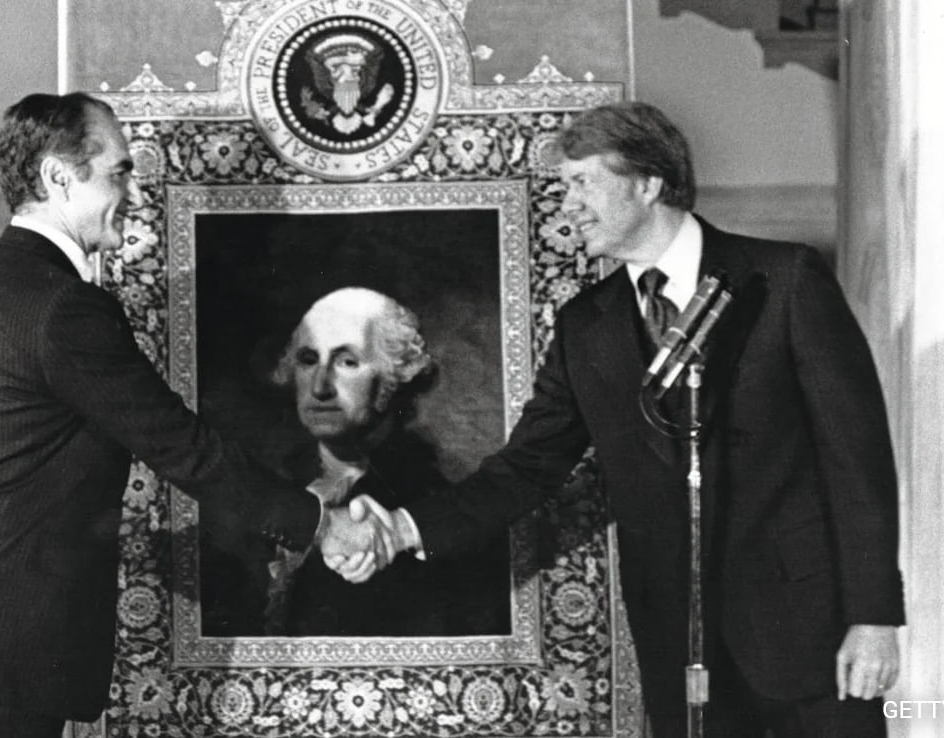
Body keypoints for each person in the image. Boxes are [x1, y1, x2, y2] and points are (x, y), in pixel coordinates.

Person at [335, 102, 905, 737]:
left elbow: (857, 460)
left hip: (812, 634)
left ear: (648, 183)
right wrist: (405, 528)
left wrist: (875, 616)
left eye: (582, 183)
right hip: (678, 645)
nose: (568, 206)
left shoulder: (784, 279)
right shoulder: (585, 326)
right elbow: (526, 468)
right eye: (564, 188)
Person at [0, 92, 393, 737]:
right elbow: (181, 446)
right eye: (119, 173)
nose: (133, 193)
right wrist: (321, 524)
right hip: (6, 656)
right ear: (58, 177)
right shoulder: (65, 308)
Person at [200, 287, 510, 637]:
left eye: (347, 362)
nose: (320, 387)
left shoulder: (429, 505)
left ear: (393, 378)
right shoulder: (265, 485)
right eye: (308, 359)